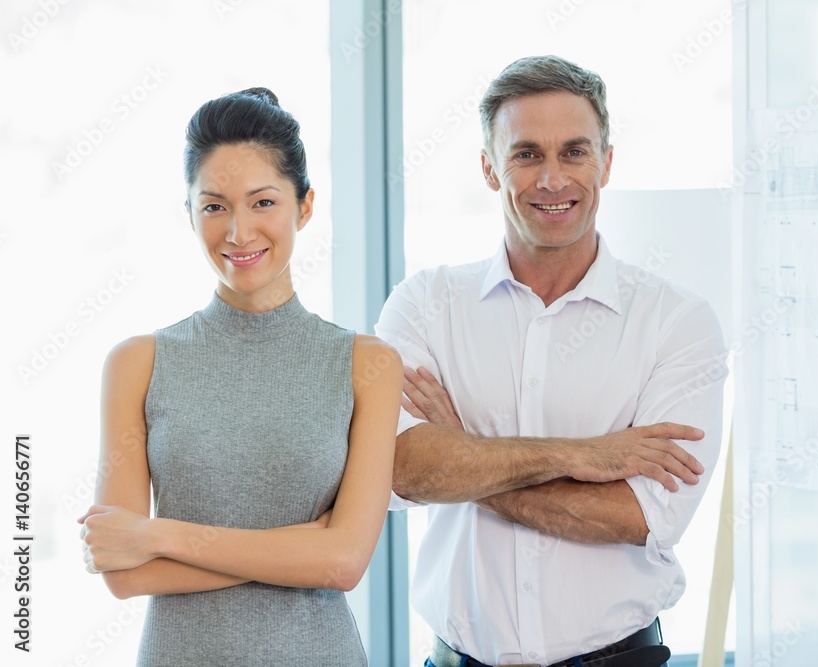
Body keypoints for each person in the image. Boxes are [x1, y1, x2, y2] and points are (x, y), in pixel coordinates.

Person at [374, 55, 728, 667]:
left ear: (606, 162)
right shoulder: (424, 305)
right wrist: (583, 456)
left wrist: (462, 452)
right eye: (526, 154)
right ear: (490, 168)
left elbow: (641, 516)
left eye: (574, 152)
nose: (552, 178)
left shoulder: (677, 322)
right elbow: (403, 470)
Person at [77, 88, 401, 667]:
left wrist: (156, 536)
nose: (239, 232)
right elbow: (123, 574)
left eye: (263, 202)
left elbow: (345, 564)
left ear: (304, 207)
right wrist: (303, 549)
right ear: (190, 214)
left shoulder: (366, 365)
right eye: (214, 207)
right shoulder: (137, 363)